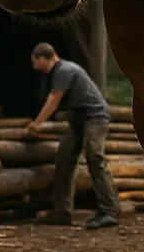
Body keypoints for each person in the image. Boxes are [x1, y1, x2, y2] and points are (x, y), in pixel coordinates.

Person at [28, 43, 119, 229]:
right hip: (79, 120)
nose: (35, 67)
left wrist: (37, 124)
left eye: (36, 62)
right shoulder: (58, 73)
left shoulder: (65, 70)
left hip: (95, 117)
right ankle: (62, 211)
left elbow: (54, 99)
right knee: (64, 157)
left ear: (44, 58)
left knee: (95, 157)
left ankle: (109, 211)